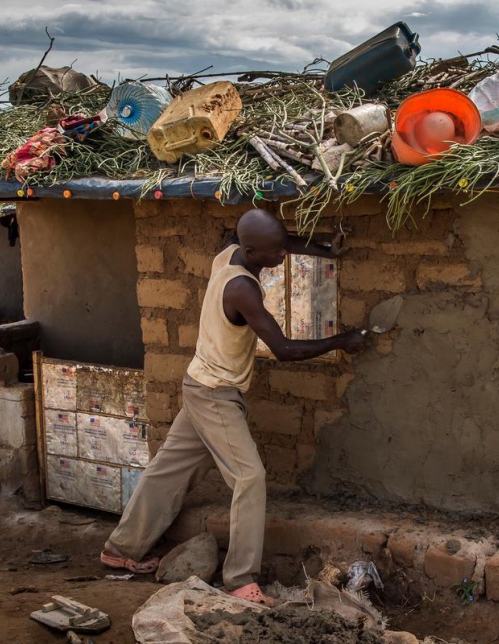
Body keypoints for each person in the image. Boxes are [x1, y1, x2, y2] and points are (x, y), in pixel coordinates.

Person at [100, 208, 367, 606]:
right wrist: (341, 340)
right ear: (252, 250)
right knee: (249, 476)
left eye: (283, 249)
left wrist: (324, 249)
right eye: (275, 254)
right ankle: (241, 579)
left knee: (168, 470)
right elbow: (284, 348)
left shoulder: (229, 252)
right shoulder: (241, 289)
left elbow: (275, 240)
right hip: (215, 395)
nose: (282, 259)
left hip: (199, 383)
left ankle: (121, 549)